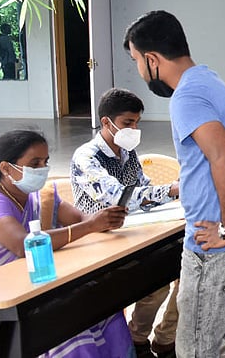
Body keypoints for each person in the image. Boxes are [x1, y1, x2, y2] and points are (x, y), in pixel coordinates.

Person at [125, 10, 225, 357]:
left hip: (217, 246)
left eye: (136, 62)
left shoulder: (186, 96)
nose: (139, 71)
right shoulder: (209, 80)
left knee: (194, 347)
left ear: (152, 59)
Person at [0, 129, 130, 357]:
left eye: (45, 161)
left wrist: (105, 219)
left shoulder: (40, 197)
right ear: (5, 168)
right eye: (34, 163)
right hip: (2, 302)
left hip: (38, 288)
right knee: (70, 329)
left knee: (105, 310)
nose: (42, 169)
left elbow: (80, 219)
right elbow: (22, 245)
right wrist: (90, 226)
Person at [69, 88, 180, 358]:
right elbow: (120, 198)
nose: (134, 129)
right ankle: (138, 338)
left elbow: (144, 191)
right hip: (100, 239)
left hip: (136, 231)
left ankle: (165, 338)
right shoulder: (87, 157)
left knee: (185, 274)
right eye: (128, 123)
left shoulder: (128, 153)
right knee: (157, 285)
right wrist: (172, 190)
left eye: (137, 122)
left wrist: (170, 197)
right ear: (106, 122)